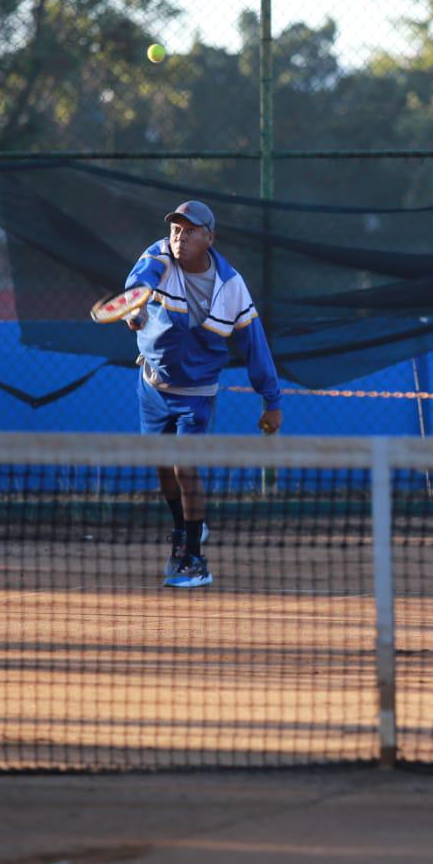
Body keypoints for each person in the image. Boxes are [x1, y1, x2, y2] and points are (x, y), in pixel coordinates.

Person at [123, 199, 283, 590]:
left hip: (196, 393)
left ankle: (195, 559)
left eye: (190, 230)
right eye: (176, 229)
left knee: (185, 467)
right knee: (162, 469)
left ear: (209, 238)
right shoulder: (158, 257)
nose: (180, 236)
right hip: (153, 385)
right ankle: (184, 529)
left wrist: (272, 400)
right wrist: (135, 307)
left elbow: (254, 343)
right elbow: (140, 282)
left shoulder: (231, 286)